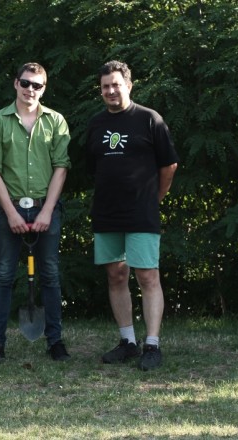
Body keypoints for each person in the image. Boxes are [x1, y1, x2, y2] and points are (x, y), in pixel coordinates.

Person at [85, 60, 179, 371]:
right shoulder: (96, 124)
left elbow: (169, 165)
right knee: (116, 275)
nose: (111, 91)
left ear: (129, 85)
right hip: (107, 212)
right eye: (105, 86)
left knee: (147, 276)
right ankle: (128, 342)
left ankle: (152, 345)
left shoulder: (150, 119)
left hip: (142, 212)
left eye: (116, 84)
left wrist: (155, 199)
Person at [0, 62, 71, 364]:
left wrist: (47, 211)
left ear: (44, 88)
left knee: (50, 274)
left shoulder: (56, 121)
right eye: (25, 83)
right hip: (11, 206)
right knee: (4, 274)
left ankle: (55, 342)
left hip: (47, 206)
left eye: (37, 85)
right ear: (15, 84)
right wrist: (11, 214)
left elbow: (61, 167)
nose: (30, 89)